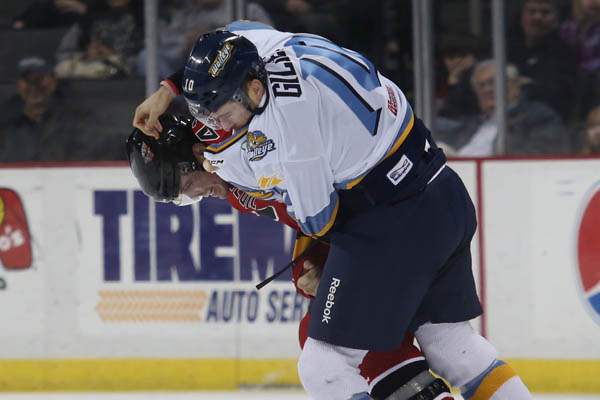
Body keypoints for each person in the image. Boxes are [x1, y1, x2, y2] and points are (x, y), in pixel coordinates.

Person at [133, 22, 532, 400]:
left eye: (220, 115)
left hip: (393, 218)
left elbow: (321, 219)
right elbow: (230, 34)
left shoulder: (282, 139)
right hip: (440, 190)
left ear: (252, 89)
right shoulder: (267, 53)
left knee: (323, 365)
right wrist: (168, 89)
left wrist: (330, 259)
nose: (217, 124)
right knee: (452, 345)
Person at [126, 114, 454, 400]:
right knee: (326, 320)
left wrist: (170, 87)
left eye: (186, 183)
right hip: (395, 227)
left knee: (327, 337)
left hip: (399, 215)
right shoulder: (238, 191)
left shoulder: (255, 149)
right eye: (183, 197)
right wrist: (324, 262)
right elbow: (318, 214)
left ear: (197, 154)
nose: (196, 194)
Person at [434, 60, 570, 156]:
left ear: (515, 87)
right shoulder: (469, 124)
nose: (487, 90)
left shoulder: (538, 116)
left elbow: (546, 152)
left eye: (493, 82)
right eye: (481, 85)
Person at [0, 56, 121, 161]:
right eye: (27, 80)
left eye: (40, 78)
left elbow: (90, 161)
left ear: (54, 81)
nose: (34, 85)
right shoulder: (5, 122)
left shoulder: (77, 120)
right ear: (18, 85)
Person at [507, 0, 577, 119]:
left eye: (545, 12)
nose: (537, 17)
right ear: (522, 17)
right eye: (532, 11)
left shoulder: (565, 54)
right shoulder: (507, 48)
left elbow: (558, 94)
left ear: (556, 19)